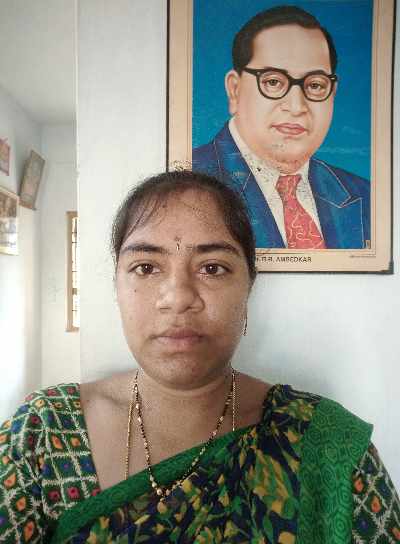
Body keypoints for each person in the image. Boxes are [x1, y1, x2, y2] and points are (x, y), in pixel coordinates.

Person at [0, 170, 397, 543]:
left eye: (212, 268)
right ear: (116, 287)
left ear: (249, 288)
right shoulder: (43, 432)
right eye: (146, 267)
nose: (178, 298)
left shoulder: (329, 447)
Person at [192, 5, 371, 250]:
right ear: (235, 90)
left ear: (333, 93)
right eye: (274, 82)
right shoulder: (189, 181)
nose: (297, 107)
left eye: (315, 85)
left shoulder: (366, 196)